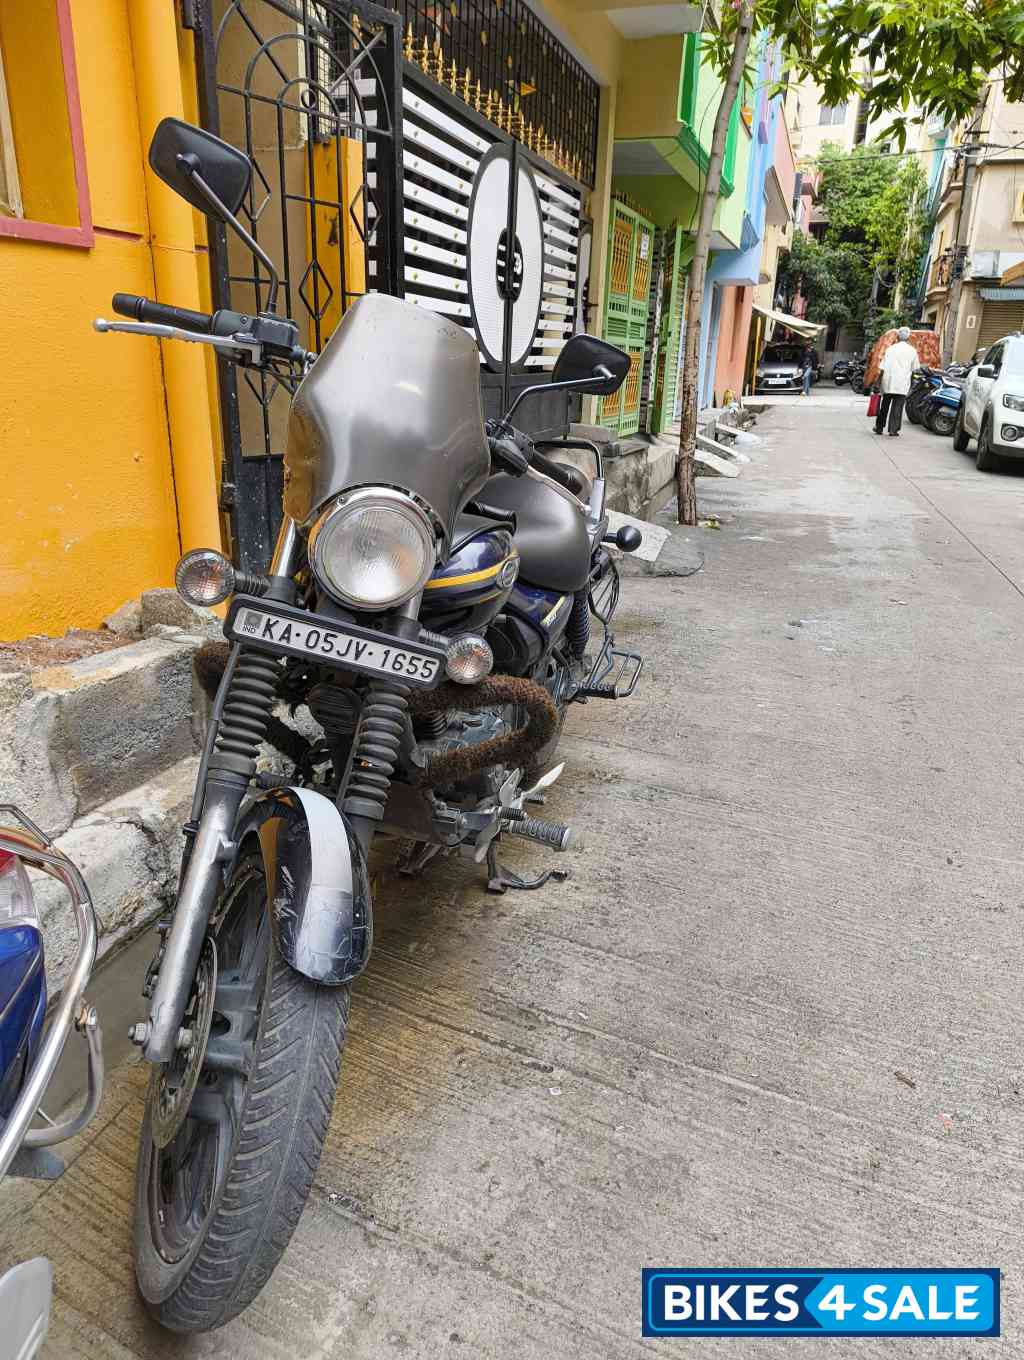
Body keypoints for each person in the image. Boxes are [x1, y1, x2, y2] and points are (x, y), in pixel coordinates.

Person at [873, 327, 918, 436]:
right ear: (908, 338)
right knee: (897, 407)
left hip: (888, 381)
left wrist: (878, 383)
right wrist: (912, 384)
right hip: (902, 383)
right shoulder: (912, 351)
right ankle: (893, 430)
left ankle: (879, 427)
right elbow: (914, 370)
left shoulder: (890, 349)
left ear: (897, 337)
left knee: (884, 406)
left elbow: (882, 367)